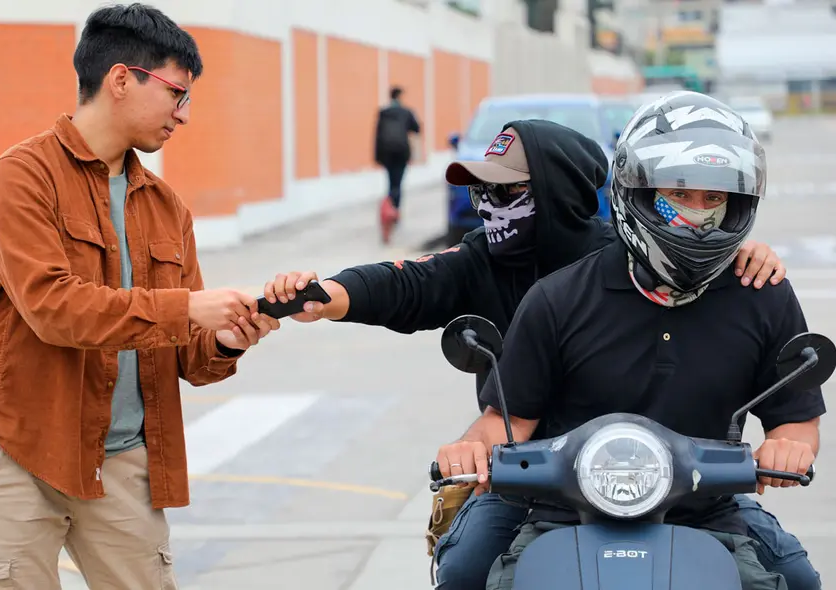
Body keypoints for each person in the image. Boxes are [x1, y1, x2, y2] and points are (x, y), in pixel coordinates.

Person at [261, 119, 801, 589]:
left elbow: (693, 247)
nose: (486, 205)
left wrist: (735, 254)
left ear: (556, 190)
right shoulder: (496, 266)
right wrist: (326, 296)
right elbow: (407, 284)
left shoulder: (639, 259)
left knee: (796, 578)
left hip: (685, 487)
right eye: (483, 191)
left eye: (506, 190)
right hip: (538, 486)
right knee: (467, 570)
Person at [0, 4, 279, 589]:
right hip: (18, 449)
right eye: (177, 94)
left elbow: (189, 356)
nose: (183, 115)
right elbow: (54, 307)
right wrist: (185, 309)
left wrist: (225, 338)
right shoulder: (22, 175)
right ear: (121, 78)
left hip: (123, 458)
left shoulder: (167, 207)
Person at [435, 92, 824, 590]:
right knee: (464, 573)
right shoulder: (558, 298)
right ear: (635, 192)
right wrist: (467, 449)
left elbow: (796, 420)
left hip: (703, 511)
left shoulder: (762, 294)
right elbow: (504, 425)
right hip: (561, 510)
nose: (697, 214)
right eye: (678, 195)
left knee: (800, 581)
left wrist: (786, 447)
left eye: (714, 199)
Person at [374, 86, 422, 243]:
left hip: (387, 154)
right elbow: (417, 128)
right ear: (400, 96)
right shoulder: (406, 112)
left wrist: (378, 157)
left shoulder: (383, 112)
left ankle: (388, 210)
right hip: (401, 152)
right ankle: (395, 214)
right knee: (398, 184)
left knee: (390, 183)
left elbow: (377, 135)